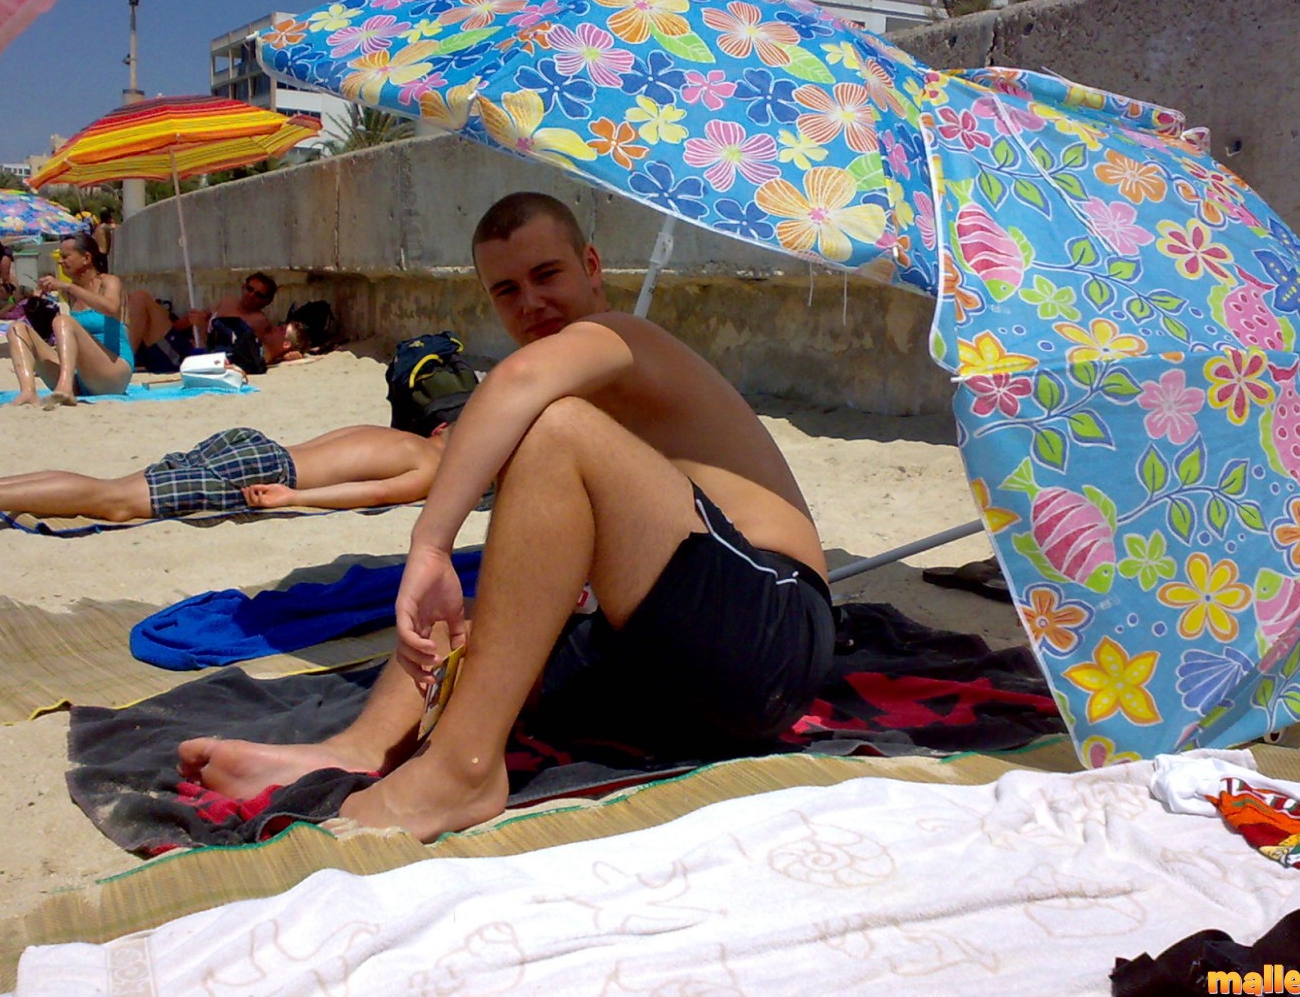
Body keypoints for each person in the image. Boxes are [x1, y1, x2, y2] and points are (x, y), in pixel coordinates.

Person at [177, 192, 835, 842]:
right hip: (658, 657)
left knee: (555, 431)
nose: (530, 303)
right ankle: (355, 751)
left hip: (772, 637)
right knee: (467, 619)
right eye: (507, 290)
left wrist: (430, 546)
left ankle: (463, 766)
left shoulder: (623, 337)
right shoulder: (579, 383)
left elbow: (518, 382)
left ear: (592, 266)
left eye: (547, 275)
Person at [0, 421, 450, 540]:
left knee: (115, 487)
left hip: (253, 444)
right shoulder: (433, 467)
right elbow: (373, 494)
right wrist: (295, 496)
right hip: (268, 470)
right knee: (115, 501)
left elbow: (336, 445)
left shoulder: (401, 435)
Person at [6, 233, 133, 407]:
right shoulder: (70, 293)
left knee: (63, 321)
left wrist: (69, 286)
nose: (60, 262)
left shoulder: (108, 282)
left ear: (86, 258)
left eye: (65, 257)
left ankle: (65, 388)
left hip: (114, 372)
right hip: (84, 377)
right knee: (17, 329)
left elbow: (111, 308)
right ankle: (28, 392)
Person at [126, 272, 290, 371]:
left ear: (267, 302)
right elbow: (186, 324)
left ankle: (125, 361)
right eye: (250, 289)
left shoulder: (257, 322)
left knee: (141, 299)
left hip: (194, 358)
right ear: (243, 287)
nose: (251, 295)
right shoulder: (228, 302)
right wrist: (187, 322)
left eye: (259, 295)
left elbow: (225, 354)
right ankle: (127, 355)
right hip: (184, 345)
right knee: (140, 298)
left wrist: (201, 328)